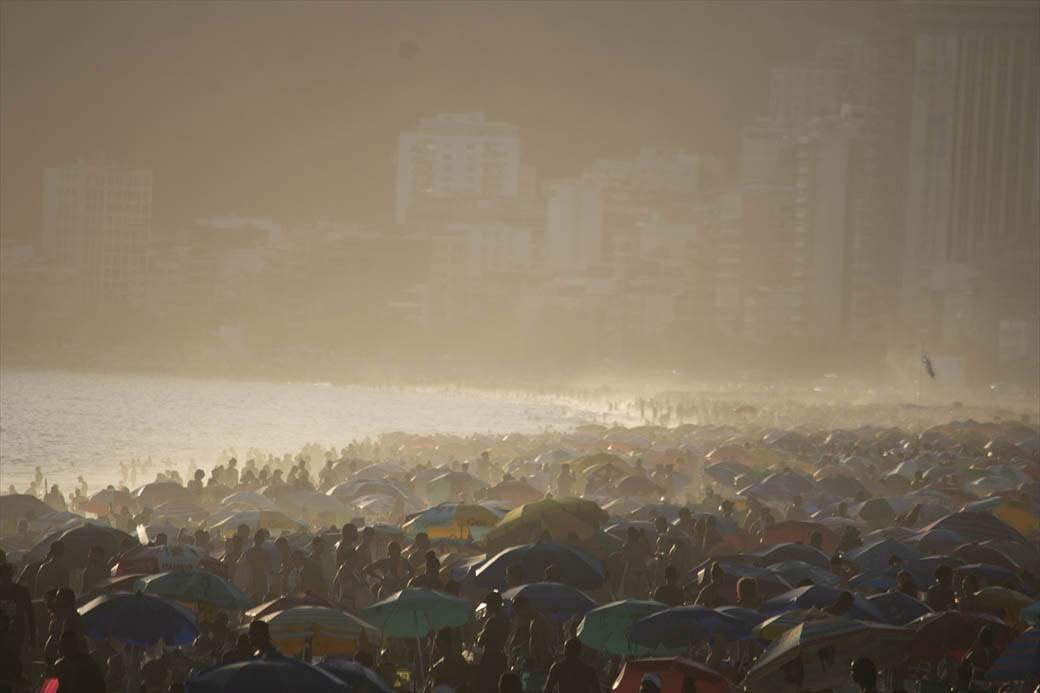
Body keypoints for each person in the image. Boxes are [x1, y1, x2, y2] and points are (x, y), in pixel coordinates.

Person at [0, 562, 35, 670]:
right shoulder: (21, 591)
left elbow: (30, 614)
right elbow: (30, 614)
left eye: (6, 575)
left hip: (17, 632)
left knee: (14, 658)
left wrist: (33, 635)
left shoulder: (21, 591)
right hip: (7, 632)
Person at [476, 592, 510, 692]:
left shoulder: (492, 621)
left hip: (490, 659)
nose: (487, 606)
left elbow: (480, 642)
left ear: (494, 604)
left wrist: (478, 635)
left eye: (488, 604)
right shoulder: (506, 620)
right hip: (501, 658)